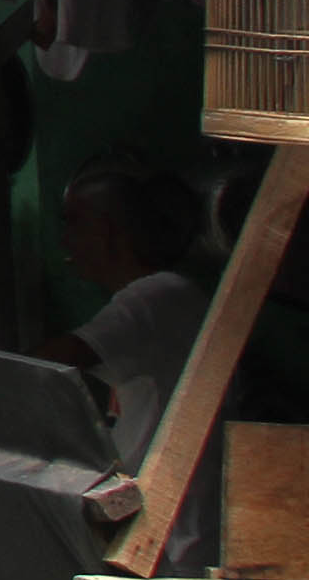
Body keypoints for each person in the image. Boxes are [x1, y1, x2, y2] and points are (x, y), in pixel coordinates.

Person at [47, 161, 211, 442]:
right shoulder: (165, 293)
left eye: (75, 223)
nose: (65, 241)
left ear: (108, 231)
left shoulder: (160, 294)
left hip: (171, 487)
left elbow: (57, 358)